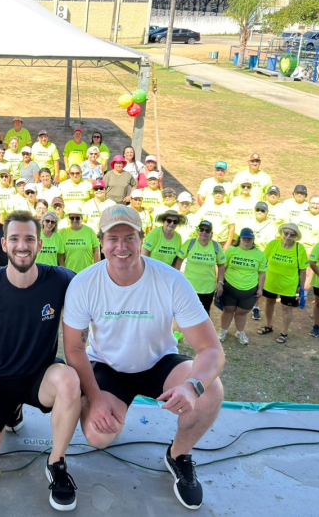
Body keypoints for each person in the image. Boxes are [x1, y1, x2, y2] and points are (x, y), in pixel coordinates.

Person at [62, 204, 224, 510]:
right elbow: (74, 348)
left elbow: (212, 350)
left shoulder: (171, 280)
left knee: (210, 390)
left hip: (158, 363)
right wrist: (94, 397)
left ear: (141, 238)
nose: (121, 247)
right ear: (101, 241)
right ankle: (108, 403)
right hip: (108, 365)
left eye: (129, 238)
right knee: (98, 437)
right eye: (113, 238)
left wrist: (192, 387)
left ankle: (179, 455)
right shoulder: (83, 284)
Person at [0, 212, 81, 510]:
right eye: (14, 239)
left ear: (40, 244)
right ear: (4, 244)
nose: (22, 246)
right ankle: (9, 412)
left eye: (29, 239)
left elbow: (97, 293)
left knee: (69, 380)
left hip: (41, 379)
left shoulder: (61, 279)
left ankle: (56, 463)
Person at [258, 223, 308, 344]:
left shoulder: (299, 248)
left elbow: (303, 269)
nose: (288, 236)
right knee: (269, 303)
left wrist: (301, 286)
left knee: (286, 308)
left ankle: (284, 332)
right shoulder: (273, 244)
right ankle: (268, 326)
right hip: (271, 282)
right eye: (286, 233)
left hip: (289, 284)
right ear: (282, 233)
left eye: (292, 234)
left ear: (296, 236)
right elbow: (263, 261)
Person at [218, 228, 267, 345]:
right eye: (244, 238)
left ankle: (240, 332)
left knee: (241, 312)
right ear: (240, 238)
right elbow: (222, 266)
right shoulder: (231, 250)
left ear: (253, 239)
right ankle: (223, 331)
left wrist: (260, 288)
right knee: (228, 310)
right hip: (230, 286)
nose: (247, 240)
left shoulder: (259, 254)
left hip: (249, 289)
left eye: (249, 238)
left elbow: (262, 272)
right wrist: (219, 282)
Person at [175, 221, 227, 316]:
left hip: (207, 288)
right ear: (198, 232)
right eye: (202, 230)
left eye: (207, 231)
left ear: (211, 234)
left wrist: (220, 282)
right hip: (189, 287)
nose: (204, 232)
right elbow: (179, 260)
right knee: (186, 313)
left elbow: (221, 265)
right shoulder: (190, 243)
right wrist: (177, 278)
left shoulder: (216, 246)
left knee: (204, 314)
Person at [59, 202, 100, 273]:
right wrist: (62, 269)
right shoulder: (62, 232)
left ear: (82, 219)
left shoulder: (90, 231)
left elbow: (96, 250)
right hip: (69, 272)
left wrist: (95, 267)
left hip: (87, 272)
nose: (74, 220)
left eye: (77, 218)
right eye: (72, 218)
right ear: (68, 219)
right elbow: (60, 254)